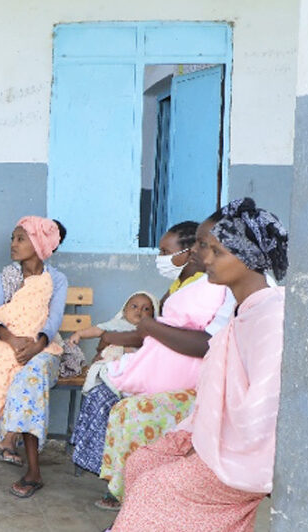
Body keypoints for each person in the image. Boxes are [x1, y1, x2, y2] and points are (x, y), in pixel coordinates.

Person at [111, 198, 288, 531]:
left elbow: (263, 413)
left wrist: (206, 451)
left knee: (155, 490)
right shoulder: (242, 310)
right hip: (215, 436)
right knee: (142, 462)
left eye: (216, 251)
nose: (204, 258)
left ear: (249, 258)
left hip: (243, 456)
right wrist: (194, 436)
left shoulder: (270, 315)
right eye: (205, 248)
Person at [80, 220, 235, 510]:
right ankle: (122, 490)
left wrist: (140, 331)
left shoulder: (214, 287)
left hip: (194, 382)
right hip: (167, 369)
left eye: (166, 251)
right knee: (106, 398)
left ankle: (129, 495)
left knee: (120, 408)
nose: (161, 258)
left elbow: (201, 340)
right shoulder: (183, 285)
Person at [0, 216, 68, 499]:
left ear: (39, 243)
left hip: (45, 349)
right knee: (20, 372)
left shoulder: (56, 280)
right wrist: (14, 340)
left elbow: (53, 321)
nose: (13, 244)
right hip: (10, 344)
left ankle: (32, 468)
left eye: (21, 238)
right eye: (13, 238)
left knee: (30, 374)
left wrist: (37, 345)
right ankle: (30, 466)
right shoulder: (5, 277)